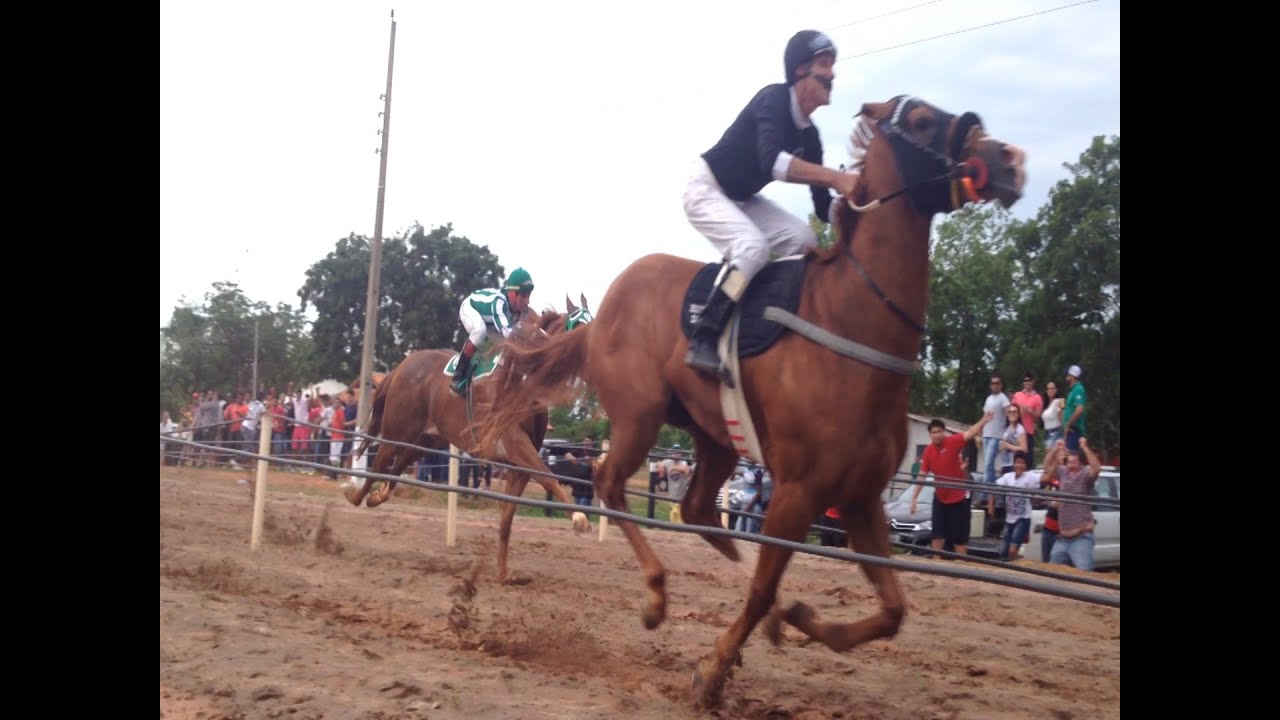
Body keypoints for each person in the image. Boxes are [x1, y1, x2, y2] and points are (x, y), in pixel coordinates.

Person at [681, 29, 860, 381]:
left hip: (741, 199)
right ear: (800, 70)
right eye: (825, 65)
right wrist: (837, 178)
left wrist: (854, 207)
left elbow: (824, 208)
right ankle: (705, 334)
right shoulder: (773, 100)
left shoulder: (811, 136)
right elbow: (772, 164)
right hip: (705, 188)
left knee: (805, 239)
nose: (832, 75)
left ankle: (767, 314)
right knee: (752, 248)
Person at [452, 268, 535, 394]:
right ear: (512, 294)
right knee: (480, 331)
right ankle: (458, 376)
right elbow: (509, 334)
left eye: (528, 296)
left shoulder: (521, 310)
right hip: (470, 308)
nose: (527, 301)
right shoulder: (499, 304)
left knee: (506, 347)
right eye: (524, 296)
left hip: (490, 320)